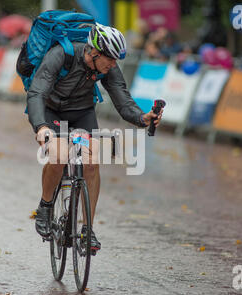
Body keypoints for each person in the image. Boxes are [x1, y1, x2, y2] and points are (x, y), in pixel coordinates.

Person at [26, 23, 163, 253]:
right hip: (52, 112)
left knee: (91, 161)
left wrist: (143, 118)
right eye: (109, 59)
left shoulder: (107, 67)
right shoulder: (61, 55)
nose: (113, 64)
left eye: (116, 59)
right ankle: (46, 206)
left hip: (82, 113)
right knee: (59, 155)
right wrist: (41, 126)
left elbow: (123, 100)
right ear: (94, 52)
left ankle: (87, 230)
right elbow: (37, 92)